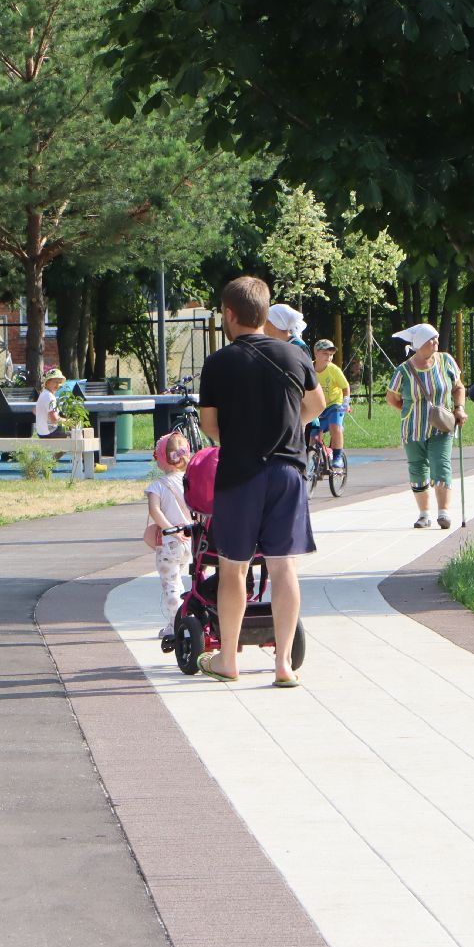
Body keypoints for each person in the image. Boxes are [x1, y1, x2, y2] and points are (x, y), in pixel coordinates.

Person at [197, 276, 325, 688]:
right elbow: (317, 405)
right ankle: (284, 664)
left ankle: (228, 659)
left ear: (229, 315)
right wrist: (287, 427)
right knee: (284, 566)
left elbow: (210, 427)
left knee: (233, 568)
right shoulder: (294, 355)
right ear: (265, 313)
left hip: (240, 473)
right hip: (288, 471)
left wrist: (242, 433)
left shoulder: (218, 363)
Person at [385, 322, 466, 530]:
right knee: (418, 469)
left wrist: (459, 408)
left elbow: (458, 387)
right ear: (420, 344)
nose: (436, 342)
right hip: (413, 429)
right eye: (432, 339)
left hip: (441, 426)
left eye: (436, 338)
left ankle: (444, 513)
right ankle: (423, 514)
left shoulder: (446, 360)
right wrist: (410, 411)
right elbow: (392, 398)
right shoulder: (403, 370)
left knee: (441, 465)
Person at [146, 432, 193, 640]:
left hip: (169, 543)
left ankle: (179, 624)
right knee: (181, 580)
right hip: (191, 540)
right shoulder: (191, 481)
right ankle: (179, 620)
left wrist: (169, 529)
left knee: (171, 584)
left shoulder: (158, 486)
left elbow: (155, 511)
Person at [309, 339, 351, 467]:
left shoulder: (334, 370)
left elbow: (345, 387)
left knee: (335, 427)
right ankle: (313, 457)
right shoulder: (309, 368)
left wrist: (346, 402)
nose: (329, 357)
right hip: (317, 406)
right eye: (325, 354)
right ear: (316, 353)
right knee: (314, 434)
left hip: (334, 404)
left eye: (331, 354)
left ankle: (337, 456)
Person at [33, 367, 68, 438]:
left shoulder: (43, 394)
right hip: (50, 433)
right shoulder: (50, 397)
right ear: (47, 382)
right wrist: (69, 422)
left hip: (41, 432)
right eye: (55, 382)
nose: (57, 385)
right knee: (74, 434)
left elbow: (35, 410)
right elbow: (54, 419)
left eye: (59, 382)